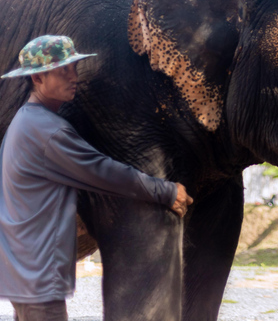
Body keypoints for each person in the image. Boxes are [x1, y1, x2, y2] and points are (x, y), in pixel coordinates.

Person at [0, 35, 194, 321]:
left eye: (74, 68)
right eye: (63, 70)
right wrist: (165, 191)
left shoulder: (25, 121)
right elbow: (104, 172)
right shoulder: (47, 130)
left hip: (23, 273)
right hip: (38, 278)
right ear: (38, 77)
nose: (74, 77)